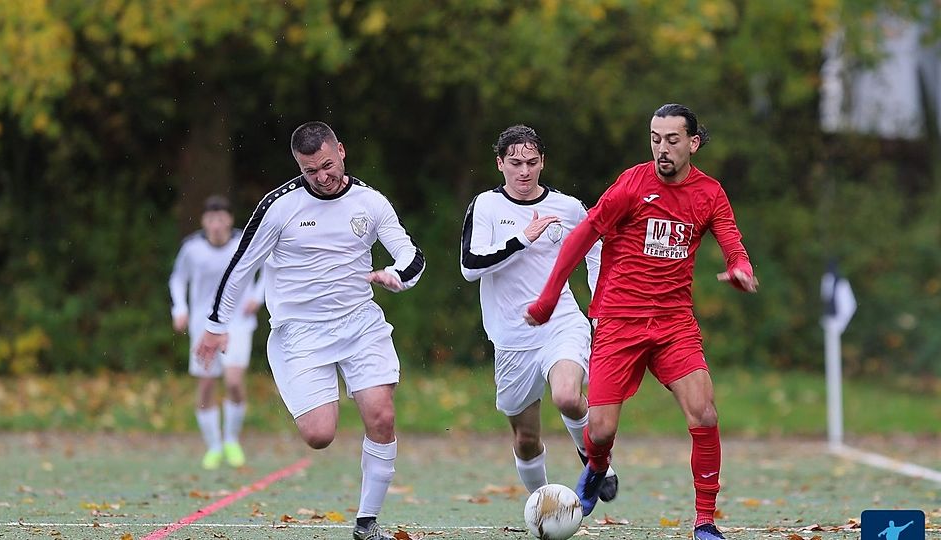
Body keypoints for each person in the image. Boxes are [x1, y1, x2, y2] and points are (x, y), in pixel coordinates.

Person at [525, 104, 759, 540]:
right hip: (618, 321)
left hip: (673, 324)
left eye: (672, 140)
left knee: (704, 415)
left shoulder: (710, 193)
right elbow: (583, 235)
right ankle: (597, 466)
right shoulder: (632, 184)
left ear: (693, 143)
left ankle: (705, 522)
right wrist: (548, 296)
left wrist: (741, 267)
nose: (662, 149)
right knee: (600, 430)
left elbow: (732, 240)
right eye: (655, 138)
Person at [196, 121, 425, 540]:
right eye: (309, 171)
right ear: (298, 168)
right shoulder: (278, 207)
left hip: (360, 324)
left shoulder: (371, 202)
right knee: (320, 435)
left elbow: (411, 255)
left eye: (327, 165)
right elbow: (240, 268)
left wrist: (398, 275)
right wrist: (216, 325)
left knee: (382, 415)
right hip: (299, 333)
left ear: (341, 150)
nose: (322, 177)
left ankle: (366, 523)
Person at [460, 125, 617, 502]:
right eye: (515, 163)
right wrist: (522, 239)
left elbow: (597, 251)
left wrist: (600, 307)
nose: (524, 171)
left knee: (567, 395)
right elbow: (470, 265)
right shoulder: (485, 206)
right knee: (526, 439)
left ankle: (596, 462)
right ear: (500, 164)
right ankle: (544, 506)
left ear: (543, 162)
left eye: (532, 162)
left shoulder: (566, 207)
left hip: (559, 321)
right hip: (511, 337)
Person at [169, 195, 264, 470]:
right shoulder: (192, 248)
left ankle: (231, 439)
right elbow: (178, 278)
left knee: (233, 381)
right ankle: (214, 446)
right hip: (204, 325)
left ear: (230, 220)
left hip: (238, 322)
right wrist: (180, 309)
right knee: (207, 384)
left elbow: (268, 271)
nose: (217, 224)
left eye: (221, 218)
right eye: (211, 219)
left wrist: (257, 297)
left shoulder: (243, 244)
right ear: (204, 221)